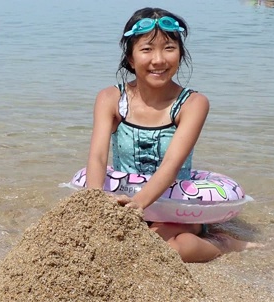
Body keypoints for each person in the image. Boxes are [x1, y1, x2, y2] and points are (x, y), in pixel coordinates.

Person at [85, 7, 261, 262]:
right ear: (131, 59)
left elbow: (170, 166)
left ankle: (224, 243)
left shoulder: (193, 103)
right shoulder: (110, 98)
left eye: (169, 48)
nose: (159, 60)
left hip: (175, 208)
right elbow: (98, 157)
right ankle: (201, 241)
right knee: (151, 247)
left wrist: (138, 206)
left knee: (163, 250)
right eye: (147, 49)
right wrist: (94, 203)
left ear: (180, 54)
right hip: (125, 200)